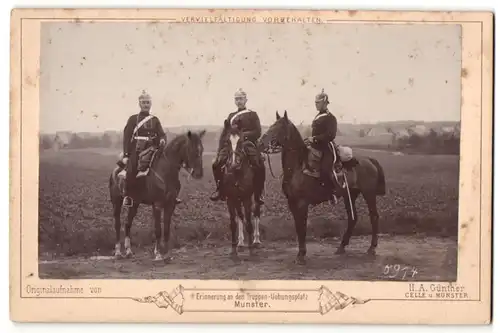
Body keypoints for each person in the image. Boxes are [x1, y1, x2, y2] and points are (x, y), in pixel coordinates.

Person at [120, 90, 181, 207]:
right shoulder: (133, 119)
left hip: (153, 149)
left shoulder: (155, 120)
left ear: (150, 104)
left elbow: (161, 134)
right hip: (137, 150)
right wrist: (126, 155)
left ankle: (171, 193)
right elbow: (127, 137)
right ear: (139, 104)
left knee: (167, 167)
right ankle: (128, 195)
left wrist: (162, 139)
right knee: (132, 168)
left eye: (148, 102)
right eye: (143, 102)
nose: (146, 105)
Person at [210, 88, 265, 204]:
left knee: (258, 164)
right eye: (237, 99)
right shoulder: (231, 116)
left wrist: (243, 136)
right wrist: (220, 149)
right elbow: (225, 133)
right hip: (231, 144)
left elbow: (257, 131)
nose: (239, 101)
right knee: (216, 164)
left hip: (247, 143)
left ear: (246, 100)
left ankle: (258, 193)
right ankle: (220, 190)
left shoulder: (252, 114)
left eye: (241, 99)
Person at [303, 89, 344, 202]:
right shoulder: (317, 116)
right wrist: (309, 140)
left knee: (326, 169)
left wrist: (315, 138)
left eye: (318, 103)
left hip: (326, 147)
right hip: (315, 146)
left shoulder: (331, 117)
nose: (316, 105)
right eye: (315, 103)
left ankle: (333, 192)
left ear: (325, 103)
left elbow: (330, 135)